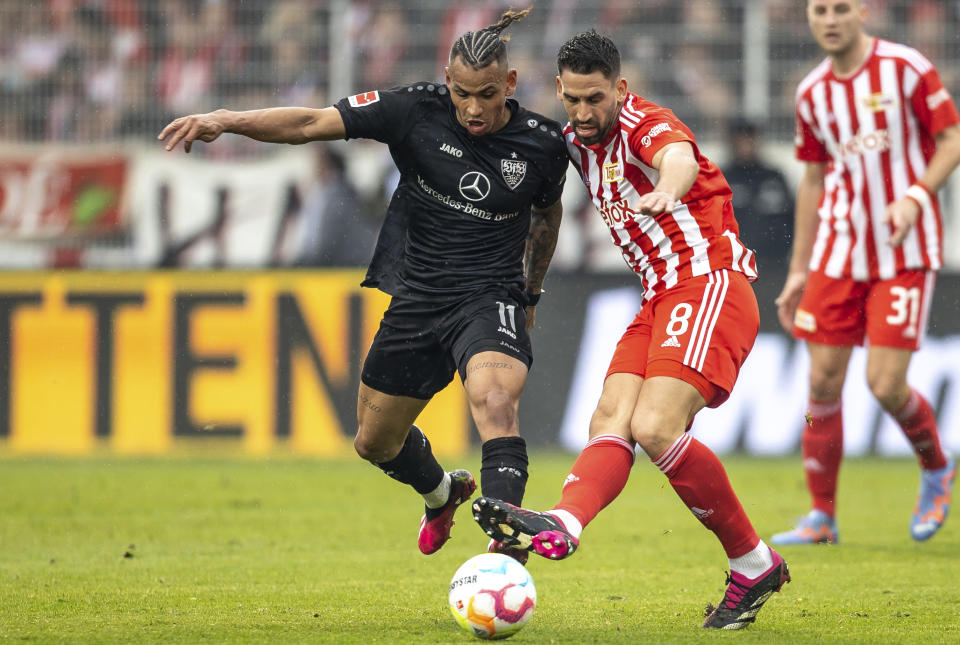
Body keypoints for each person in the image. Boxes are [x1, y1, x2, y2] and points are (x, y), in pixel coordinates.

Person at [158, 8, 568, 564]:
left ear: (511, 84)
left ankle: (504, 553)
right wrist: (227, 119)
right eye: (463, 93)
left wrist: (531, 294)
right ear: (448, 81)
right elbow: (309, 124)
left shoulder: (543, 144)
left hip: (489, 294)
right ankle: (441, 494)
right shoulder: (412, 110)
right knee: (374, 443)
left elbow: (546, 218)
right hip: (419, 297)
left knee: (494, 401)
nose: (473, 108)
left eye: (488, 94)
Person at [472, 30, 790, 630]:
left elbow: (679, 158)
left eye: (595, 98)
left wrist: (668, 192)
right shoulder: (574, 139)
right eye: (572, 99)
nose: (584, 113)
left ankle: (754, 561)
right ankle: (563, 525)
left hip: (707, 281)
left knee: (654, 426)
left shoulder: (645, 123)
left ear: (619, 88)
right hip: (659, 297)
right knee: (610, 420)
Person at [771, 0, 960, 547]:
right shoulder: (812, 92)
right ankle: (821, 517)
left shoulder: (907, 68)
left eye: (840, 8)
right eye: (819, 10)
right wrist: (799, 268)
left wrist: (916, 197)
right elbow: (812, 179)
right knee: (822, 382)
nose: (829, 19)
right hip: (838, 252)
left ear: (863, 12)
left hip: (904, 250)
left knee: (884, 384)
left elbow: (951, 140)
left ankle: (936, 467)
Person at [721, 118, 794, 275]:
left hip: (775, 265)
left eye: (749, 139)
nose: (745, 145)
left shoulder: (774, 177)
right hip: (734, 266)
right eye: (740, 140)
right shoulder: (722, 179)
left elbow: (792, 216)